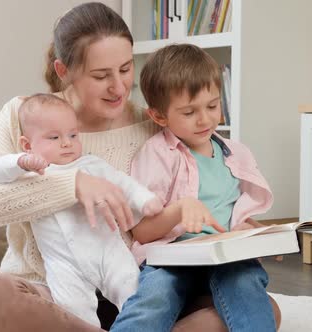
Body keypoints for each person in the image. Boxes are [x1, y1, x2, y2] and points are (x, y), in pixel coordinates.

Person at [0, 2, 280, 331]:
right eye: (101, 76)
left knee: (260, 307)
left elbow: (190, 196)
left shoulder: (155, 124)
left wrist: (238, 225)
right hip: (53, 294)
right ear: (63, 70)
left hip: (134, 292)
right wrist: (72, 185)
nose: (118, 87)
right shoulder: (24, 116)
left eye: (126, 69)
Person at [110, 44, 278, 332]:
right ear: (159, 117)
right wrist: (178, 212)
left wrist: (257, 233)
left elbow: (235, 214)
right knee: (156, 293)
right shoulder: (158, 154)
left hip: (225, 258)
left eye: (212, 106)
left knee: (245, 282)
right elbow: (142, 232)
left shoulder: (236, 155)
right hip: (171, 258)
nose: (205, 119)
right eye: (189, 112)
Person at [0, 93, 163, 326]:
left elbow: (122, 183)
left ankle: (134, 326)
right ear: (27, 145)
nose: (67, 143)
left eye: (73, 134)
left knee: (131, 287)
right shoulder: (31, 174)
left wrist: (145, 200)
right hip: (62, 262)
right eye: (54, 137)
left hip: (107, 249)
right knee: (73, 310)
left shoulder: (90, 164)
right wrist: (19, 162)